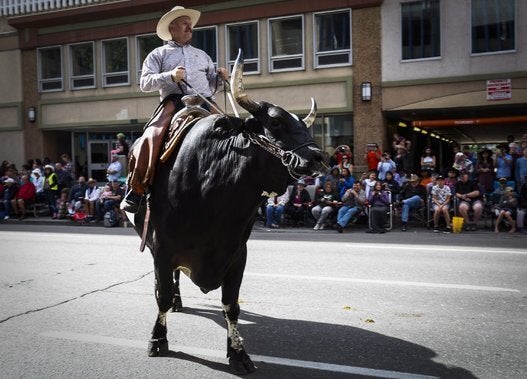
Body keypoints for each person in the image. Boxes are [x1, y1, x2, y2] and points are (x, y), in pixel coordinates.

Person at [121, 6, 228, 213]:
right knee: (152, 136)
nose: (190, 27)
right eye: (184, 23)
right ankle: (137, 189)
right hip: (175, 102)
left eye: (190, 23)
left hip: (207, 102)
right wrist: (169, 76)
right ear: (172, 27)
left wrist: (220, 78)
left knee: (234, 133)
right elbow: (145, 83)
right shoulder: (158, 54)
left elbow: (211, 85)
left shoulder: (202, 55)